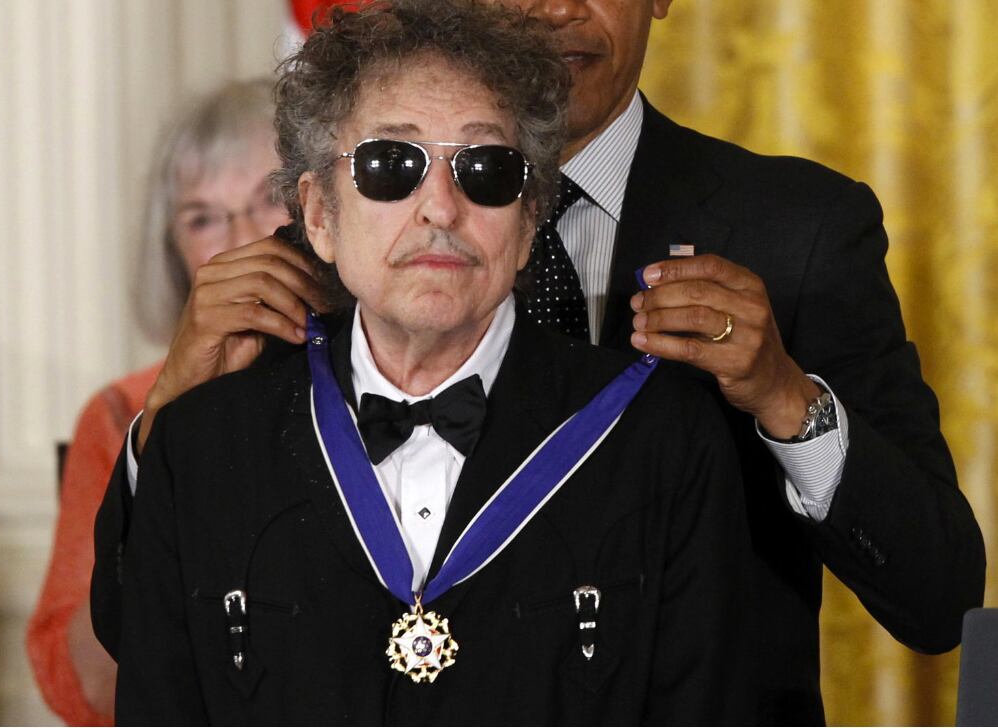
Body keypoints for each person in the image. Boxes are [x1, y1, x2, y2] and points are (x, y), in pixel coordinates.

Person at [94, 0, 986, 724]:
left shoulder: (798, 230)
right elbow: (151, 629)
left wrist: (786, 397)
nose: (555, 8)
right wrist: (174, 399)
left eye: (487, 172)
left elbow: (940, 595)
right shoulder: (338, 250)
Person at [26, 79, 293, 725]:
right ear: (173, 252)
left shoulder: (396, 378)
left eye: (269, 198)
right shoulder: (122, 413)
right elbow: (81, 686)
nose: (241, 238)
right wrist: (167, 434)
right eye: (203, 218)